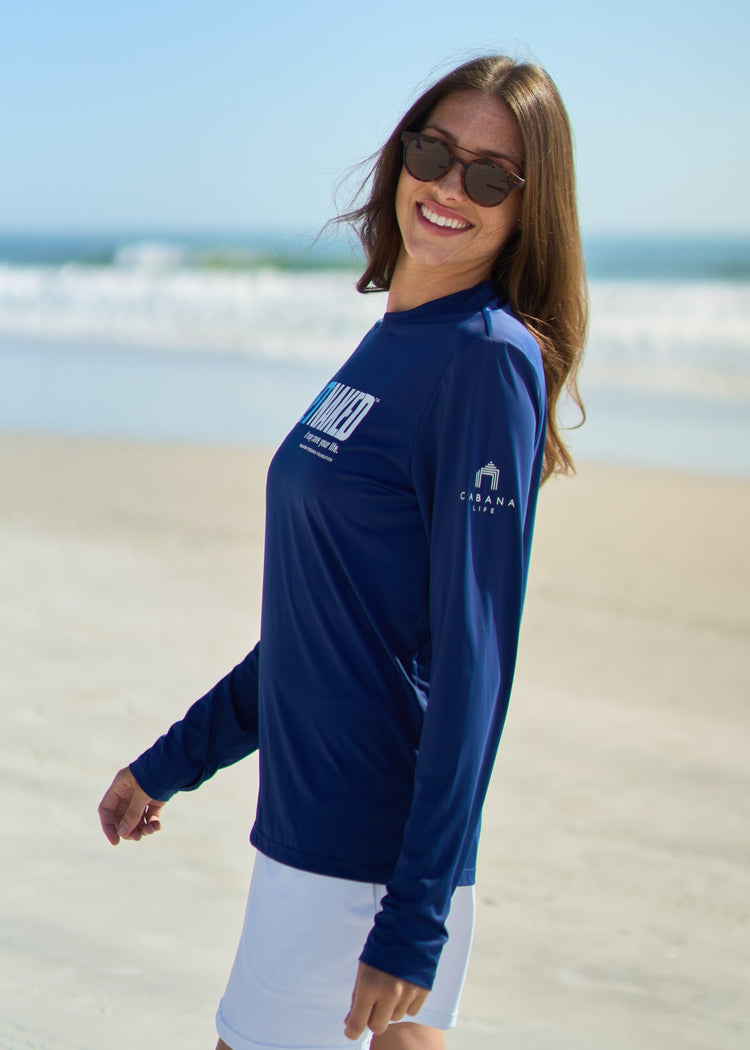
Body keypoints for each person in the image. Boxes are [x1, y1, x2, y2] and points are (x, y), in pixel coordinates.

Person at [98, 54, 587, 1050]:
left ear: (528, 209)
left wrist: (414, 917)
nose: (449, 188)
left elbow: (475, 664)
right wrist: (174, 759)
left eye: (490, 175)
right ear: (401, 155)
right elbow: (327, 627)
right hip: (315, 829)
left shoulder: (486, 359)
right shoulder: (396, 340)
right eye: (433, 153)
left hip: (367, 857)